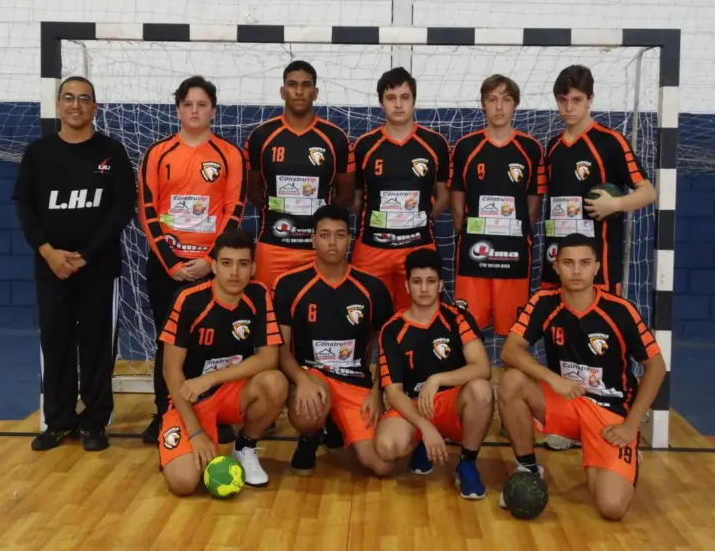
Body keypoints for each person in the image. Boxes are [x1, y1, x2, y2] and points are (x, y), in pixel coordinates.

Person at [496, 233, 666, 520]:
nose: (576, 271)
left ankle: (616, 454)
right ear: (557, 266)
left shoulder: (620, 311)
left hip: (610, 416)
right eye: (569, 263)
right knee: (511, 381)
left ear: (597, 267)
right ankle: (528, 468)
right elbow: (510, 351)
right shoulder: (544, 302)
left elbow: (657, 366)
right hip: (568, 402)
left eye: (585, 263)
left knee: (611, 508)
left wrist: (630, 425)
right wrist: (552, 379)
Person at [12, 76, 136, 452]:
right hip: (51, 268)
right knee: (56, 343)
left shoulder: (112, 153)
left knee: (97, 345)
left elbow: (122, 209)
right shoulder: (38, 153)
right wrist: (48, 251)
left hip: (98, 269)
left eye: (84, 99)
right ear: (58, 105)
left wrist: (86, 255)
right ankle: (59, 420)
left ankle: (95, 421)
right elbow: (24, 205)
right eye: (69, 98)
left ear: (94, 107)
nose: (76, 105)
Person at [539, 64, 656, 452]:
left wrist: (616, 203)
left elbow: (647, 191)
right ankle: (566, 420)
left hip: (597, 265)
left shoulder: (610, 142)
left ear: (590, 100)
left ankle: (618, 413)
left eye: (576, 100)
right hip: (557, 261)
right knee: (560, 341)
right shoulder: (553, 147)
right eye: (563, 100)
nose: (569, 107)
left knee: (603, 342)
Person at [137, 75, 247, 444]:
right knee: (169, 342)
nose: (195, 111)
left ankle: (215, 410)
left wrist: (210, 260)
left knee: (212, 340)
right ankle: (164, 412)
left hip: (210, 267)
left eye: (202, 105)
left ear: (213, 110)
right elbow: (148, 210)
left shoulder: (229, 154)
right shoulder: (158, 153)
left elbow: (235, 210)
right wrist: (172, 263)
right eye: (188, 104)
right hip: (168, 267)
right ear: (178, 108)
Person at [157, 229, 288, 495]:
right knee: (183, 483)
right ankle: (187, 443)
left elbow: (269, 358)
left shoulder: (259, 295)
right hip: (190, 399)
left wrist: (212, 377)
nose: (235, 273)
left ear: (253, 268)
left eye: (243, 264)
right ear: (213, 265)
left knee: (275, 382)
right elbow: (170, 370)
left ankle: (245, 447)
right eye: (226, 263)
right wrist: (194, 432)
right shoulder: (189, 299)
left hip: (231, 393)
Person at [273, 204, 395, 477]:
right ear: (313, 238)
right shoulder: (289, 284)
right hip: (311, 377)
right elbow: (280, 349)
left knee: (381, 464)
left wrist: (377, 392)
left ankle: (336, 425)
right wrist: (301, 380)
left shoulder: (372, 287)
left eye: (339, 235)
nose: (332, 242)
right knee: (309, 408)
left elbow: (389, 349)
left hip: (355, 381)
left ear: (349, 240)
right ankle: (309, 437)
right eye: (325, 235)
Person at [374, 248, 493, 500]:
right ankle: (422, 444)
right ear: (407, 286)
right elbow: (393, 393)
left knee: (481, 389)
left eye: (430, 281)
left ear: (440, 284)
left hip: (451, 403)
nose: (424, 289)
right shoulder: (392, 329)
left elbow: (482, 367)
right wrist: (425, 427)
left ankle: (467, 463)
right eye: (417, 282)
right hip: (413, 406)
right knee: (386, 448)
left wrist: (437, 379)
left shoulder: (458, 318)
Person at [243, 61, 355, 288]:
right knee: (269, 316)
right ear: (282, 91)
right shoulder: (261, 136)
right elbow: (252, 190)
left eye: (306, 85)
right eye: (292, 84)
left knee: (318, 316)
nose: (299, 91)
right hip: (273, 246)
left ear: (315, 93)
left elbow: (345, 196)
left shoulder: (335, 138)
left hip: (318, 249)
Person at [450, 74, 546, 340]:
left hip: (513, 257)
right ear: (482, 104)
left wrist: (511, 235)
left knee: (514, 334)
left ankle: (509, 382)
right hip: (473, 256)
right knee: (468, 331)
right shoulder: (465, 147)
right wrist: (471, 235)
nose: (499, 107)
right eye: (492, 100)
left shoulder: (531, 148)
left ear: (515, 104)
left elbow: (533, 208)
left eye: (506, 100)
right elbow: (457, 205)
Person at [351, 67, 451, 312]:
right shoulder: (365, 145)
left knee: (419, 319)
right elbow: (355, 200)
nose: (398, 105)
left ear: (414, 100)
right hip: (372, 248)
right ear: (381, 103)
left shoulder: (435, 143)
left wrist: (420, 219)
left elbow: (443, 195)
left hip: (418, 246)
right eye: (391, 98)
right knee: (366, 322)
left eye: (404, 97)